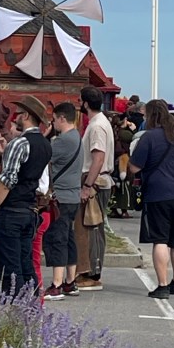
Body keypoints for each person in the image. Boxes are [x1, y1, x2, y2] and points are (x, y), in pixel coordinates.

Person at [0, 94, 52, 297]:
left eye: (18, 114)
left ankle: (16, 308)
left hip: (11, 211)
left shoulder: (20, 143)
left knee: (11, 268)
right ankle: (32, 306)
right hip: (30, 209)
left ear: (27, 116)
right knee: (26, 264)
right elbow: (27, 173)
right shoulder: (45, 145)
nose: (15, 118)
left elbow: (7, 183)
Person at [129, 98, 174, 298]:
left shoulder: (149, 137)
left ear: (150, 116)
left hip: (158, 192)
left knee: (160, 240)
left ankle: (162, 285)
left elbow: (134, 167)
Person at [42, 102, 85, 301]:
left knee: (57, 239)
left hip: (61, 197)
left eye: (54, 120)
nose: (53, 124)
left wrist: (45, 136)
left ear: (62, 118)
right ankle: (70, 281)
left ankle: (57, 285)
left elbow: (42, 155)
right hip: (73, 195)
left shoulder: (62, 141)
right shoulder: (77, 137)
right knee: (68, 238)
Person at [74, 86, 115, 290]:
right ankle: (89, 270)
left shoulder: (97, 126)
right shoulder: (99, 122)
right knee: (91, 227)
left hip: (96, 182)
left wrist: (87, 186)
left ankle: (92, 273)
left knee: (92, 228)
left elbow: (98, 158)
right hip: (96, 180)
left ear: (86, 103)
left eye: (80, 100)